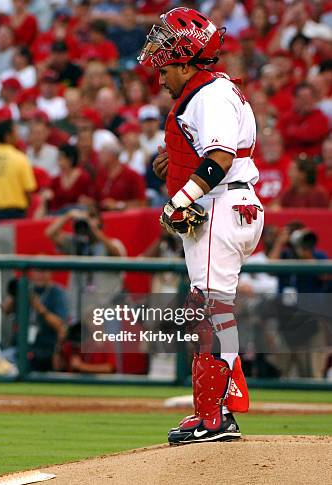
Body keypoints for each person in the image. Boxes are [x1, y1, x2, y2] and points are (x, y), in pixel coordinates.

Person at [139, 7, 263, 444]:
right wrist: (178, 170)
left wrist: (181, 198)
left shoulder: (209, 95)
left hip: (222, 205)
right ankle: (223, 411)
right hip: (231, 203)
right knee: (216, 311)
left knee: (208, 311)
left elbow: (220, 159)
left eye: (166, 66)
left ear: (187, 59)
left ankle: (212, 417)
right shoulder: (214, 91)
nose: (160, 77)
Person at [45, 207, 126, 321]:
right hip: (80, 311)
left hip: (107, 311)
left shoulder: (114, 244)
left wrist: (93, 229)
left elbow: (116, 254)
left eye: (92, 217)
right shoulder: (76, 244)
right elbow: (50, 233)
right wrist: (68, 215)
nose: (88, 220)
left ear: (100, 222)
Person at [0, 119, 37, 233]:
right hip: (15, 215)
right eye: (16, 132)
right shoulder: (20, 158)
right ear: (8, 135)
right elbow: (28, 190)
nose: (18, 135)